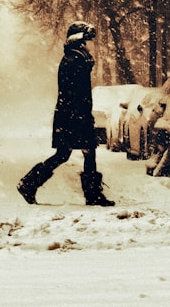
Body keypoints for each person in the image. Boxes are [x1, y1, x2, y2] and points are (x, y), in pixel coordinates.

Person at [17, 21, 115, 206]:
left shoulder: (75, 58)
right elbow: (74, 91)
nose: (87, 44)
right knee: (80, 153)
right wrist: (81, 115)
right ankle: (91, 194)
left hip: (72, 114)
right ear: (78, 40)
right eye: (85, 39)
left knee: (69, 153)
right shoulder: (73, 60)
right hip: (73, 115)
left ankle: (29, 184)